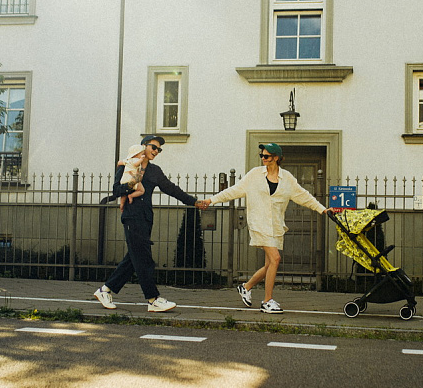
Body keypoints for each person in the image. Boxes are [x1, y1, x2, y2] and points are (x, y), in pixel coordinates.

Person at [197, 143, 332, 314]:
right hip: (259, 223)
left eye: (266, 156)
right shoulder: (254, 175)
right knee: (276, 258)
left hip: (276, 226)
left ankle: (246, 287)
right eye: (261, 155)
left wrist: (323, 209)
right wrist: (211, 200)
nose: (263, 158)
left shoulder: (287, 178)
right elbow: (234, 190)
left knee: (269, 264)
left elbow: (304, 196)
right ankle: (267, 301)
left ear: (276, 158)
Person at [94, 135, 201, 312]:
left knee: (133, 259)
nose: (156, 151)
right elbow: (116, 190)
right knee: (144, 259)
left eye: (159, 149)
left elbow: (172, 189)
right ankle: (153, 299)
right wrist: (133, 183)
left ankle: (105, 290)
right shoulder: (128, 165)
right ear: (143, 146)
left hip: (145, 218)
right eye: (154, 147)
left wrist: (194, 202)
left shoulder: (154, 171)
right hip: (131, 217)